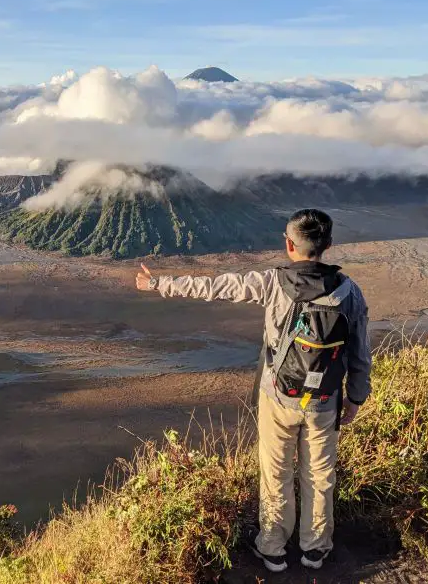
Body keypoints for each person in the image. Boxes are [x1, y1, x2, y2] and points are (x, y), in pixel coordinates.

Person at [135, 208, 371, 573]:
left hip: (278, 398)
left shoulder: (271, 283)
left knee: (275, 473)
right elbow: (359, 355)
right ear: (328, 245)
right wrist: (355, 398)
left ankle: (273, 550)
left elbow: (215, 287)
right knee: (320, 477)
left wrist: (158, 284)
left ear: (288, 245)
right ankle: (315, 549)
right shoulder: (349, 292)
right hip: (325, 401)